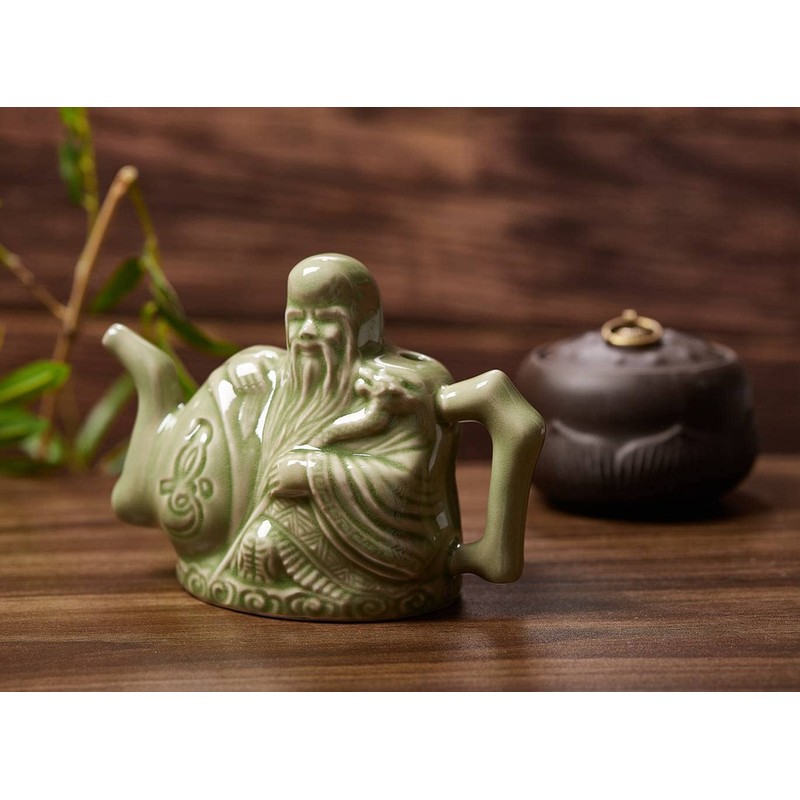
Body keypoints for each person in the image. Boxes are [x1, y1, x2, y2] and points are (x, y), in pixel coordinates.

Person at [204, 253, 462, 616]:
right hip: (293, 525)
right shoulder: (287, 383)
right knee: (258, 548)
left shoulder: (399, 385)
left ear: (359, 325)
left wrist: (313, 472)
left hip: (379, 547)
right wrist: (237, 367)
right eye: (297, 318)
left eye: (325, 320)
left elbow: (409, 478)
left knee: (264, 547)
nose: (307, 331)